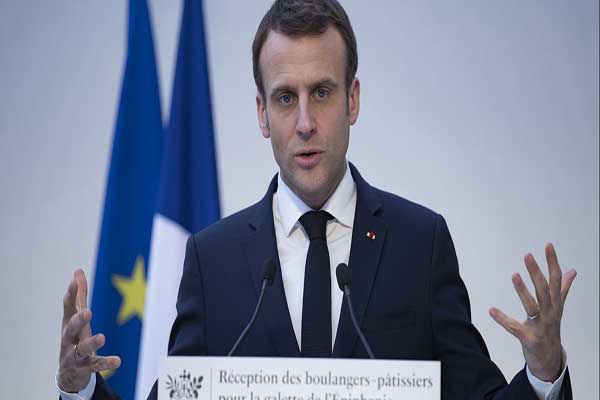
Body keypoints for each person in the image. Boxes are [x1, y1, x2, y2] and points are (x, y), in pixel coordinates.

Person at [57, 1, 577, 399]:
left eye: (322, 93)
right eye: (286, 98)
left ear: (352, 99)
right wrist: (79, 388)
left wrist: (543, 372)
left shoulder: (420, 243)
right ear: (262, 114)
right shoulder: (212, 260)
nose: (305, 122)